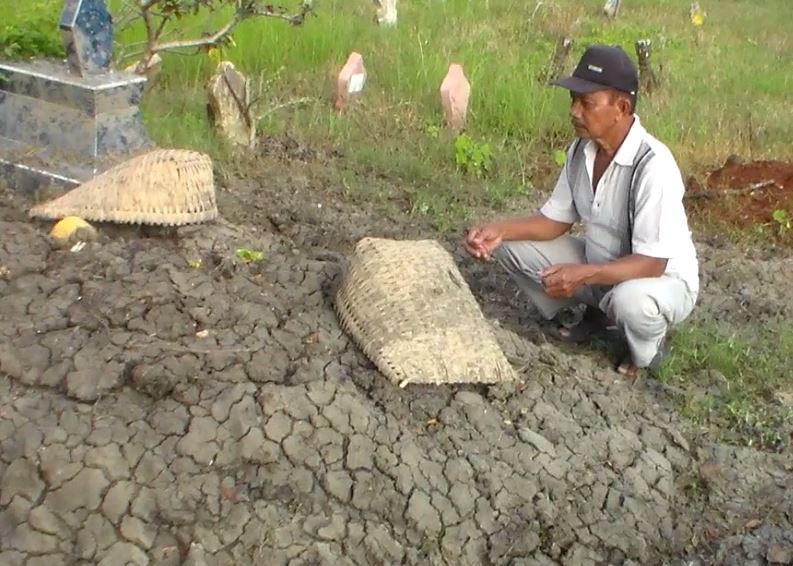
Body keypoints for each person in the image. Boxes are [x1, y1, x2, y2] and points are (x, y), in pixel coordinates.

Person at [464, 44, 699, 377]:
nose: (575, 111)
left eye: (586, 103)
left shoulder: (653, 166)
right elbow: (554, 221)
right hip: (601, 265)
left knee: (632, 302)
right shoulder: (580, 151)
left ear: (621, 107)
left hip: (659, 281)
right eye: (573, 100)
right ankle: (597, 316)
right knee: (509, 246)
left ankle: (649, 344)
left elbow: (653, 262)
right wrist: (499, 230)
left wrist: (584, 274)